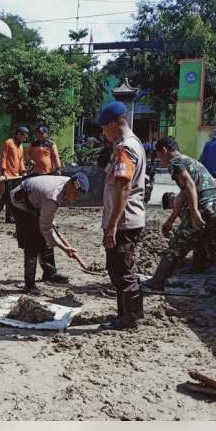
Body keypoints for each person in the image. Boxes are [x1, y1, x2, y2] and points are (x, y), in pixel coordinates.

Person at [142, 136, 216, 293]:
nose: (160, 159)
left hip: (204, 206)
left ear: (164, 150)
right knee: (213, 248)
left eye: (158, 155)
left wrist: (194, 212)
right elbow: (183, 195)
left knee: (176, 246)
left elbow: (190, 185)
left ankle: (156, 281)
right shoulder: (190, 161)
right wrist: (170, 220)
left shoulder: (176, 162)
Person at [96, 102, 147, 329]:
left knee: (122, 270)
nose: (103, 133)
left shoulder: (126, 148)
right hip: (125, 219)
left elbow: (123, 188)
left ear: (113, 124)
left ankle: (129, 319)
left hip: (124, 221)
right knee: (119, 268)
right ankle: (126, 314)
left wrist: (112, 226)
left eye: (103, 128)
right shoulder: (129, 144)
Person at [10, 172, 89, 295]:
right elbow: (46, 228)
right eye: (73, 193)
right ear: (68, 185)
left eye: (77, 196)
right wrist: (65, 248)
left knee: (46, 237)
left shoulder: (68, 183)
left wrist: (51, 224)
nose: (73, 198)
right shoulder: (52, 196)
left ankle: (50, 273)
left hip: (37, 199)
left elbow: (48, 220)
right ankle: (29, 285)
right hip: (20, 201)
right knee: (32, 242)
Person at [0, 125, 29, 223]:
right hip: (8, 175)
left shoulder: (20, 146)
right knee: (10, 197)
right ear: (18, 134)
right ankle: (9, 217)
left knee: (8, 196)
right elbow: (3, 158)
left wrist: (23, 171)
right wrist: (3, 172)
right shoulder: (8, 143)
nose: (25, 138)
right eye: (24, 136)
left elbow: (21, 160)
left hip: (17, 175)